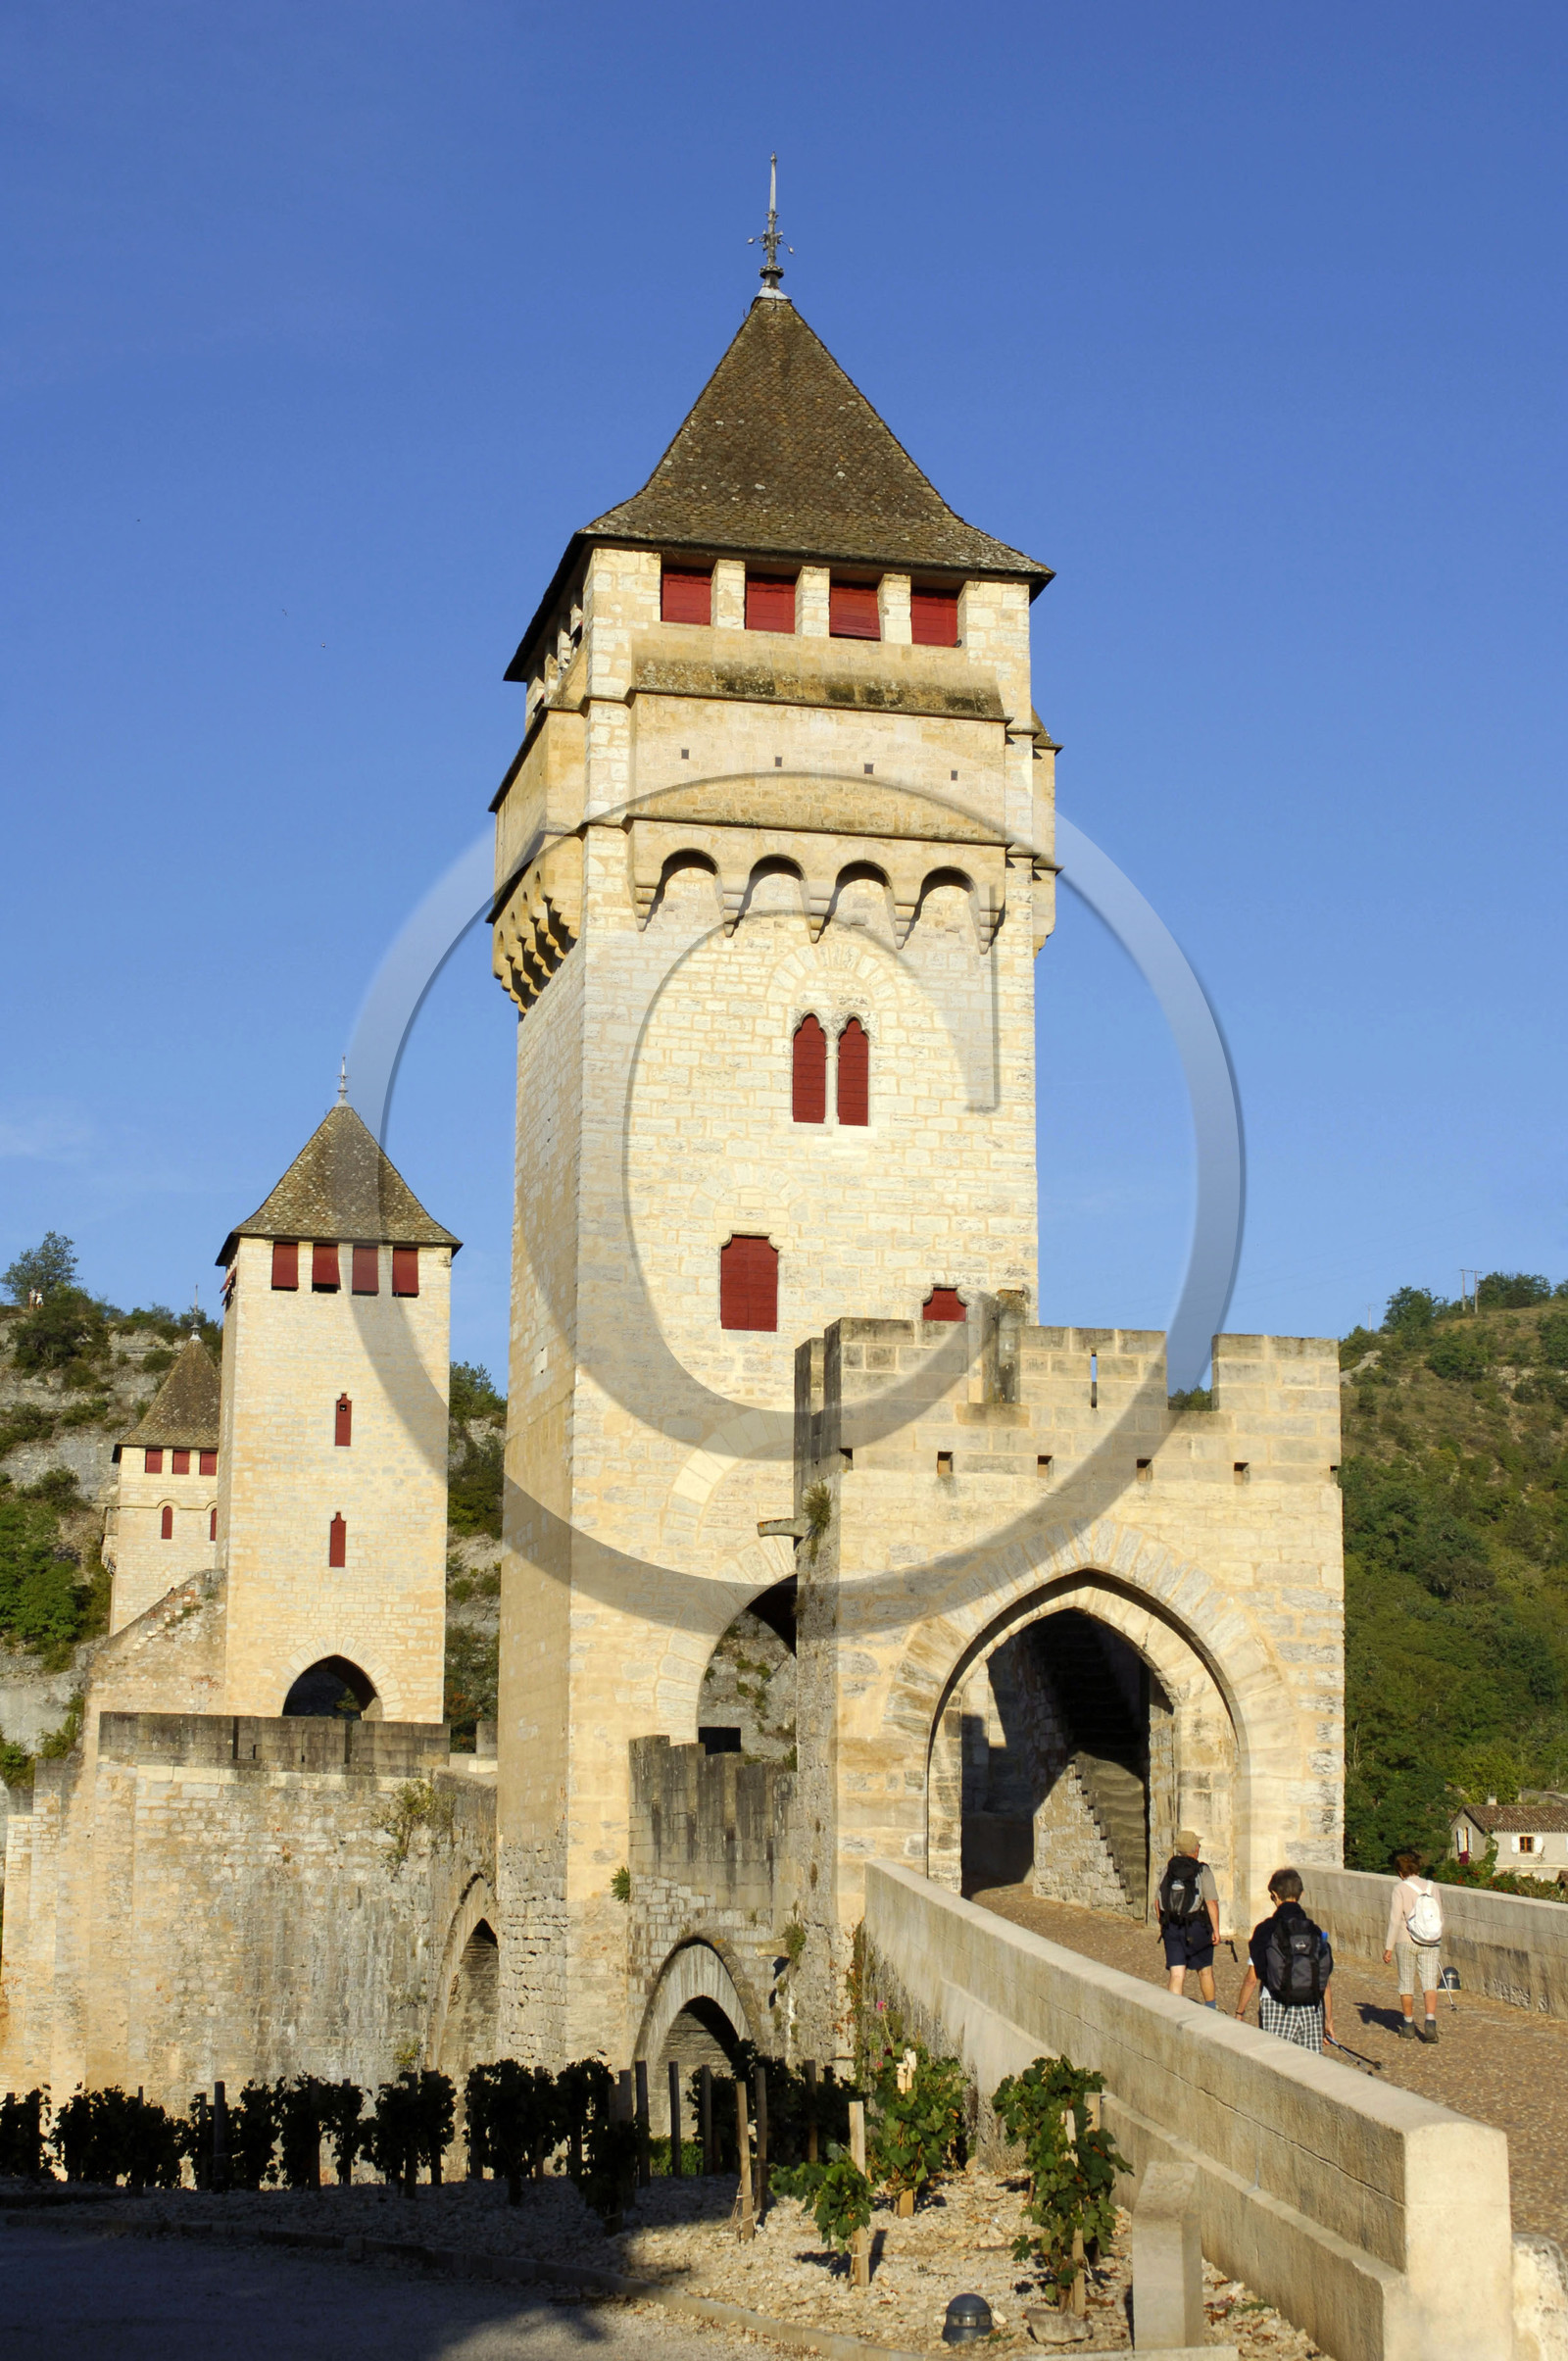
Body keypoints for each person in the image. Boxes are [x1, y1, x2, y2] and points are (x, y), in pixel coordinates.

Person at [1234, 1868, 1336, 2053]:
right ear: (1301, 1894)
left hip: (1276, 2004)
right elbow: (1324, 1978)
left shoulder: (1265, 1931)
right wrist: (1327, 2020)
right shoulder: (1314, 1931)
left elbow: (1251, 1978)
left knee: (1277, 2063)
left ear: (1275, 1895)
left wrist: (1240, 2012)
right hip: (1311, 2009)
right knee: (1310, 2069)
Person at [1156, 1828, 1222, 2006]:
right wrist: (1216, 1930)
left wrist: (1163, 1925)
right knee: (1205, 1971)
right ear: (1195, 1849)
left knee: (1177, 1974)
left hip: (1172, 1926)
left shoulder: (1168, 1870)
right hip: (1198, 1927)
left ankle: (1173, 2012)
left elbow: (1158, 1901)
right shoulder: (1202, 1871)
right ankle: (1211, 2009)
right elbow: (1211, 1903)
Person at [1384, 1849, 1444, 2042]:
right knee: (1429, 1982)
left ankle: (1408, 2025)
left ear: (1400, 1871)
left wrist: (1388, 1947)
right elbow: (1440, 1916)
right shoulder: (1432, 1886)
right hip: (1430, 1941)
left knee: (1406, 1983)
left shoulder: (1400, 1889)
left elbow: (1395, 1920)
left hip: (1406, 1939)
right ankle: (1430, 2022)